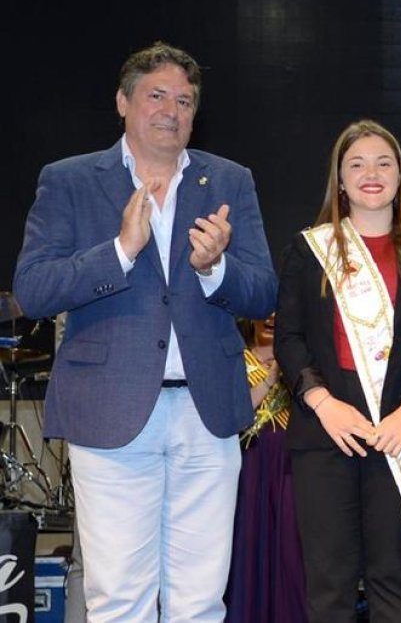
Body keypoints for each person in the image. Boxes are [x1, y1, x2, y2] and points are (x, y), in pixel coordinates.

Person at [13, 41, 276, 622]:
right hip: (109, 413)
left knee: (201, 601)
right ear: (122, 102)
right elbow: (32, 289)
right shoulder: (72, 180)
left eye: (184, 100)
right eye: (156, 95)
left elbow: (264, 291)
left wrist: (216, 270)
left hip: (207, 415)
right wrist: (119, 251)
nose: (171, 110)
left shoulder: (230, 181)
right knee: (119, 599)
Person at [274, 119, 401, 622]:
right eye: (356, 164)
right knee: (329, 584)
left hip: (399, 431)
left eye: (383, 163)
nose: (370, 173)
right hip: (325, 430)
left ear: (400, 177)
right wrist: (323, 404)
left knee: (395, 581)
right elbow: (287, 338)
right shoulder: (308, 251)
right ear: (339, 179)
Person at [226, 315, 308, 622]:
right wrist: (272, 377)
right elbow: (234, 413)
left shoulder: (301, 354)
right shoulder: (233, 354)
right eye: (264, 310)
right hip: (246, 471)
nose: (272, 318)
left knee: (290, 556)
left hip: (290, 470)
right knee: (246, 553)